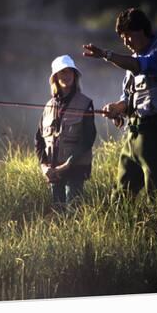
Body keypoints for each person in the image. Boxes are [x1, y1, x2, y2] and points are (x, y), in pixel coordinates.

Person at [83, 8, 157, 198]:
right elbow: (128, 100)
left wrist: (106, 54)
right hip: (133, 136)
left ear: (143, 31)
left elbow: (140, 67)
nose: (125, 41)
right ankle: (122, 227)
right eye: (122, 37)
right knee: (121, 195)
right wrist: (116, 109)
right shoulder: (133, 62)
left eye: (128, 35)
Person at [35, 55, 96, 209]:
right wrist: (44, 167)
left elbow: (88, 139)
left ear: (75, 76)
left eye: (70, 72)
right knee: (58, 215)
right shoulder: (48, 106)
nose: (67, 76)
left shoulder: (85, 103)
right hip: (53, 171)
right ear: (55, 77)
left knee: (73, 214)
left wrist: (68, 164)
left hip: (75, 171)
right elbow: (38, 140)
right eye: (63, 72)